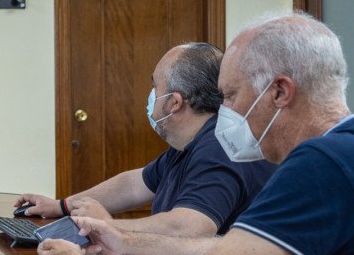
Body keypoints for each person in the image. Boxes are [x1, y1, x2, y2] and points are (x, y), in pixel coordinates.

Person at [39, 12, 353, 255]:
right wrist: (125, 241)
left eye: (230, 95)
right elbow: (236, 253)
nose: (223, 111)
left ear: (280, 92)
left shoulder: (320, 164)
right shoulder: (339, 152)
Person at [16, 43, 276, 237]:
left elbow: (189, 226)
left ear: (174, 102)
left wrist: (108, 226)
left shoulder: (218, 147)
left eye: (155, 86)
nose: (151, 95)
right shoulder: (190, 143)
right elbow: (133, 184)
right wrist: (61, 205)